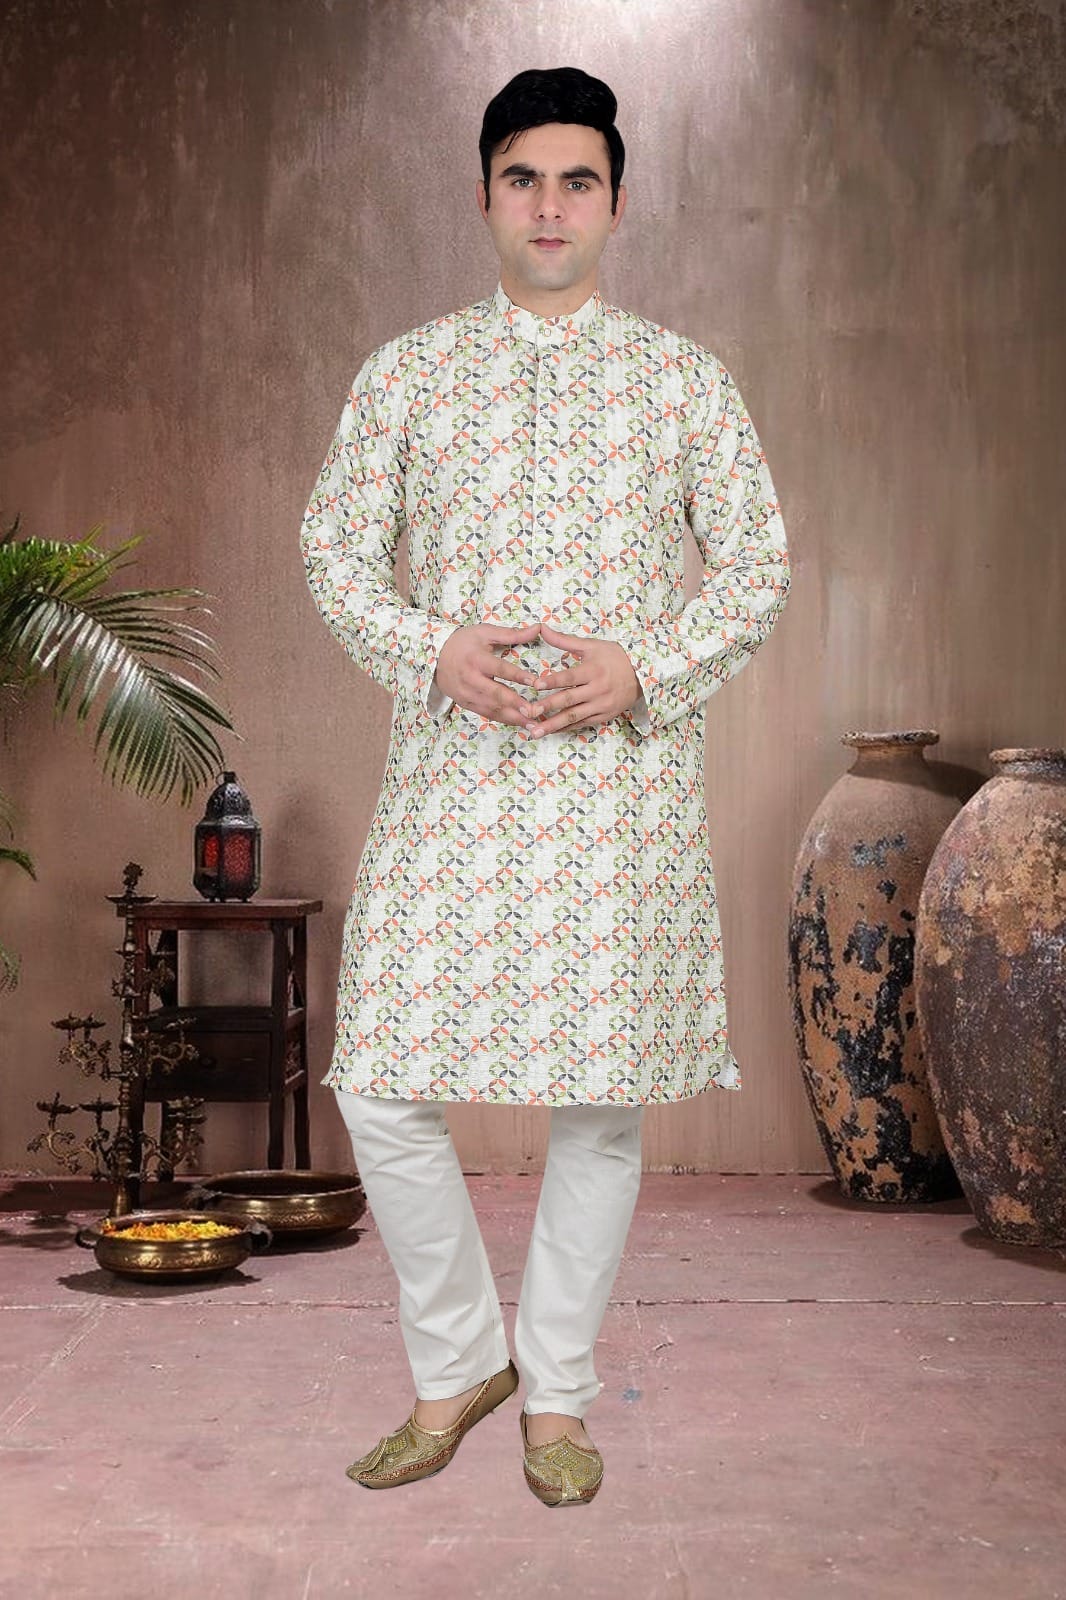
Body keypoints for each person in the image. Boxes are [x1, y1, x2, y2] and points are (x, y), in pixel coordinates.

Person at [299, 65, 790, 1506]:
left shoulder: (682, 380)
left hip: (617, 796)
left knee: (602, 1101)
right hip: (451, 779)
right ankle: (460, 1363)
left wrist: (646, 668)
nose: (551, 205)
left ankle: (556, 1393)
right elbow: (335, 551)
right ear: (483, 197)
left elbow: (756, 563)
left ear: (616, 204)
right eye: (524, 177)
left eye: (579, 180)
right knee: (381, 1080)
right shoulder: (406, 374)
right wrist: (428, 648)